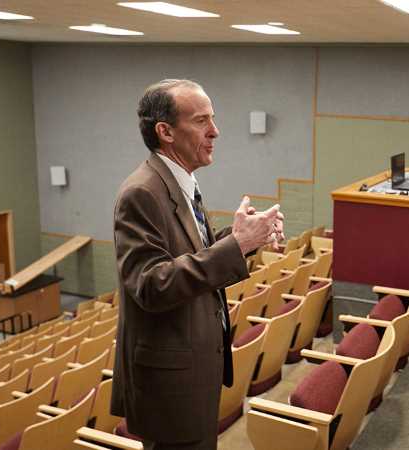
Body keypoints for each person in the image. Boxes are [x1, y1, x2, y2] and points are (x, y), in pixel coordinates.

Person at [110, 79, 284, 449]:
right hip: (168, 383)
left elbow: (190, 252)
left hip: (195, 367)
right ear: (166, 131)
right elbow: (151, 285)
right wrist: (236, 245)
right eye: (202, 121)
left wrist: (246, 237)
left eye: (213, 119)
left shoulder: (180, 181)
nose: (215, 131)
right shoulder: (141, 192)